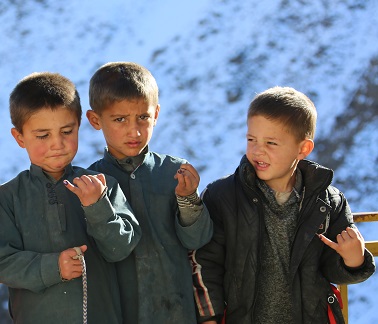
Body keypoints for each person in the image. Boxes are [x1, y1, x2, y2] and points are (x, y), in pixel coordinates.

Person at [191, 86, 376, 324]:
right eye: (251, 139)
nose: (258, 150)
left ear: (303, 149)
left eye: (271, 143)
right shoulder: (222, 196)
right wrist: (209, 319)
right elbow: (206, 263)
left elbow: (331, 269)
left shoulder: (328, 202)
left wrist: (354, 259)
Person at [0, 72, 141, 324]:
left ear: (79, 125)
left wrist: (98, 207)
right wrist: (54, 268)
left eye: (67, 131)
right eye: (43, 135)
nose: (58, 144)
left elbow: (122, 248)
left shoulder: (101, 184)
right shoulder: (8, 197)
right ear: (19, 137)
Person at [86, 61, 213, 323]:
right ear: (95, 120)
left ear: (156, 114)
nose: (134, 131)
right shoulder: (90, 184)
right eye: (120, 119)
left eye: (143, 117)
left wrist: (189, 200)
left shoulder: (175, 172)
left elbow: (197, 241)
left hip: (177, 312)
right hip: (121, 313)